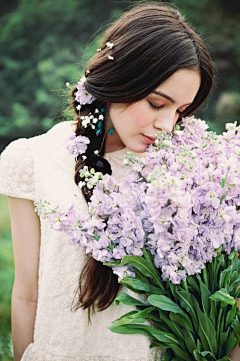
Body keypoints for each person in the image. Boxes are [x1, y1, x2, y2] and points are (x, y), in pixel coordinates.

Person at [0, 3, 239, 360]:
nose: (167, 126)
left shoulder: (188, 176)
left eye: (181, 111)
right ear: (121, 79)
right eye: (157, 103)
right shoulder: (32, 160)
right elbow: (27, 293)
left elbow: (222, 294)